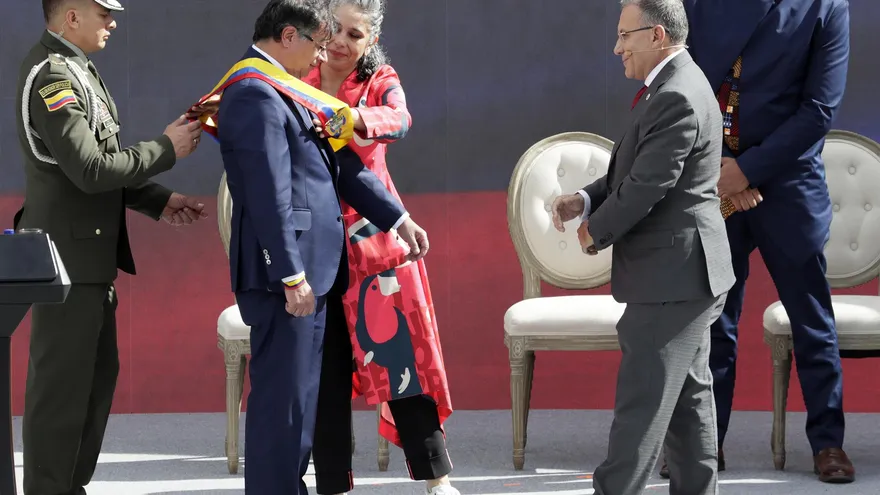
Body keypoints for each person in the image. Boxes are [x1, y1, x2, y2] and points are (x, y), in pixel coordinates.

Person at [212, 1, 430, 493]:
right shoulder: (253, 92)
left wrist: (398, 218)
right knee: (282, 407)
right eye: (316, 41)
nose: (322, 54)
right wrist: (289, 274)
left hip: (314, 272)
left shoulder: (286, 90)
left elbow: (339, 168)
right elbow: (269, 196)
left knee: (300, 406)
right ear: (289, 36)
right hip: (287, 278)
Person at [14, 0, 206, 493]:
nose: (114, 22)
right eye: (104, 13)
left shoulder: (79, 69)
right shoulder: (52, 78)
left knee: (94, 387)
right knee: (61, 396)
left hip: (88, 260)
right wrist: (165, 150)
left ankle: (69, 486)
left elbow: (101, 161)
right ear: (71, 15)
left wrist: (157, 201)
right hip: (66, 263)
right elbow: (90, 170)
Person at [657, 0, 854, 484]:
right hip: (713, 174)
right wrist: (722, 166)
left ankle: (828, 442)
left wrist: (747, 170)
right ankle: (707, 443)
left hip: (789, 182)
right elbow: (685, 83)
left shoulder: (827, 7)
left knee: (811, 319)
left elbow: (818, 109)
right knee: (714, 320)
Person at [551, 0, 734, 493]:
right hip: (685, 276)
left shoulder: (677, 95)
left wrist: (594, 232)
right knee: (689, 406)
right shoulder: (676, 86)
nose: (617, 48)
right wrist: (586, 200)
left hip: (672, 279)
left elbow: (647, 186)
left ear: (656, 35)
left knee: (641, 410)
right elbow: (631, 171)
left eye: (624, 36)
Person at [299, 1, 458, 494]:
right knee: (326, 378)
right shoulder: (296, 75)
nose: (342, 43)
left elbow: (400, 118)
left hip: (378, 244)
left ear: (371, 40)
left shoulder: (379, 79)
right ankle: (331, 485)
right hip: (316, 248)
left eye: (355, 34)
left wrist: (356, 120)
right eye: (335, 30)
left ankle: (436, 481)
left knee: (403, 369)